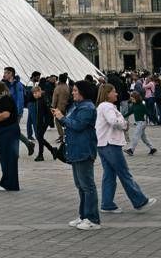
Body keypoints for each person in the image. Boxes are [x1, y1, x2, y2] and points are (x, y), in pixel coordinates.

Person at [95, 82, 157, 214]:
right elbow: (113, 121)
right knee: (124, 174)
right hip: (111, 144)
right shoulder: (107, 106)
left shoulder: (102, 106)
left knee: (109, 175)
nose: (116, 94)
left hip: (103, 144)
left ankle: (107, 204)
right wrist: (124, 124)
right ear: (107, 94)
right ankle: (140, 201)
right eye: (114, 91)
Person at [55, 79, 100, 230]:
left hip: (83, 149)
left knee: (87, 186)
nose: (72, 93)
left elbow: (78, 125)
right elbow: (69, 123)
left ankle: (93, 219)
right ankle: (83, 215)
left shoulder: (87, 107)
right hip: (75, 149)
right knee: (80, 185)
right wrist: (61, 117)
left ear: (83, 92)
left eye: (75, 90)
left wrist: (62, 117)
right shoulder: (76, 106)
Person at [124, 91, 156, 156]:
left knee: (135, 136)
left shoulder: (142, 105)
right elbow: (129, 112)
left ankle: (131, 150)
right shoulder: (134, 105)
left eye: (133, 99)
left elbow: (148, 113)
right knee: (144, 138)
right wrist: (122, 116)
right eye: (131, 99)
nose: (132, 100)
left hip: (142, 123)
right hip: (139, 123)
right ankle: (152, 148)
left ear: (137, 98)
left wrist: (153, 120)